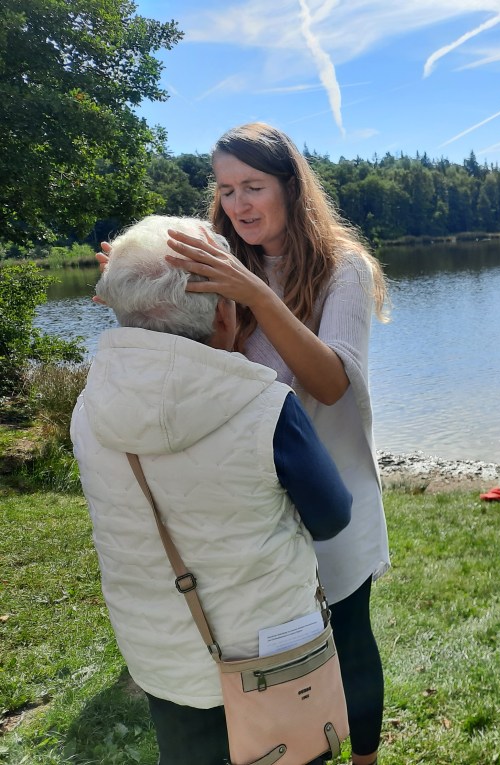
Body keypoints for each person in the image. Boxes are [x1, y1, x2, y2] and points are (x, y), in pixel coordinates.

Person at [71, 216, 353, 765]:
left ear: (116, 307)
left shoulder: (89, 407)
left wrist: (135, 287)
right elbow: (332, 516)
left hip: (162, 655)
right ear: (226, 314)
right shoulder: (266, 406)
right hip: (271, 657)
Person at [163, 123, 389, 765]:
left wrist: (255, 294)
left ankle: (365, 759)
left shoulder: (342, 266)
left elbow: (332, 382)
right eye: (227, 188)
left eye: (253, 186)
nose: (238, 204)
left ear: (292, 189)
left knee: (348, 632)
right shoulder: (223, 263)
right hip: (256, 495)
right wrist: (139, 300)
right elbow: (205, 366)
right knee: (278, 641)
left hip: (335, 487)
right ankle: (289, 746)